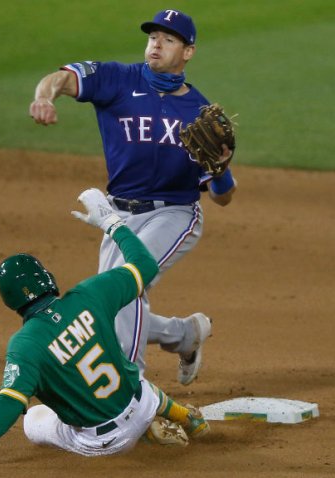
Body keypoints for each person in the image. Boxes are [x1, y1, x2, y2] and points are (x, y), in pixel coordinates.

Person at [0, 189, 210, 469]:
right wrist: (112, 223)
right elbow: (144, 265)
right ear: (47, 278)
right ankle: (184, 415)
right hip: (142, 401)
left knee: (34, 419)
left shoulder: (26, 345)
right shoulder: (90, 293)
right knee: (129, 376)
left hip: (108, 441)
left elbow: (8, 403)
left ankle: (148, 433)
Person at [29, 8, 237, 385]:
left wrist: (221, 170)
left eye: (168, 39)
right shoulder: (117, 79)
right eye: (153, 36)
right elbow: (60, 78)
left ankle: (133, 388)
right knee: (106, 306)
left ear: (188, 52)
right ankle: (184, 335)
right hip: (118, 215)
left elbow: (223, 197)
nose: (156, 43)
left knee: (128, 282)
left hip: (173, 213)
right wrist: (45, 97)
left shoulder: (198, 110)